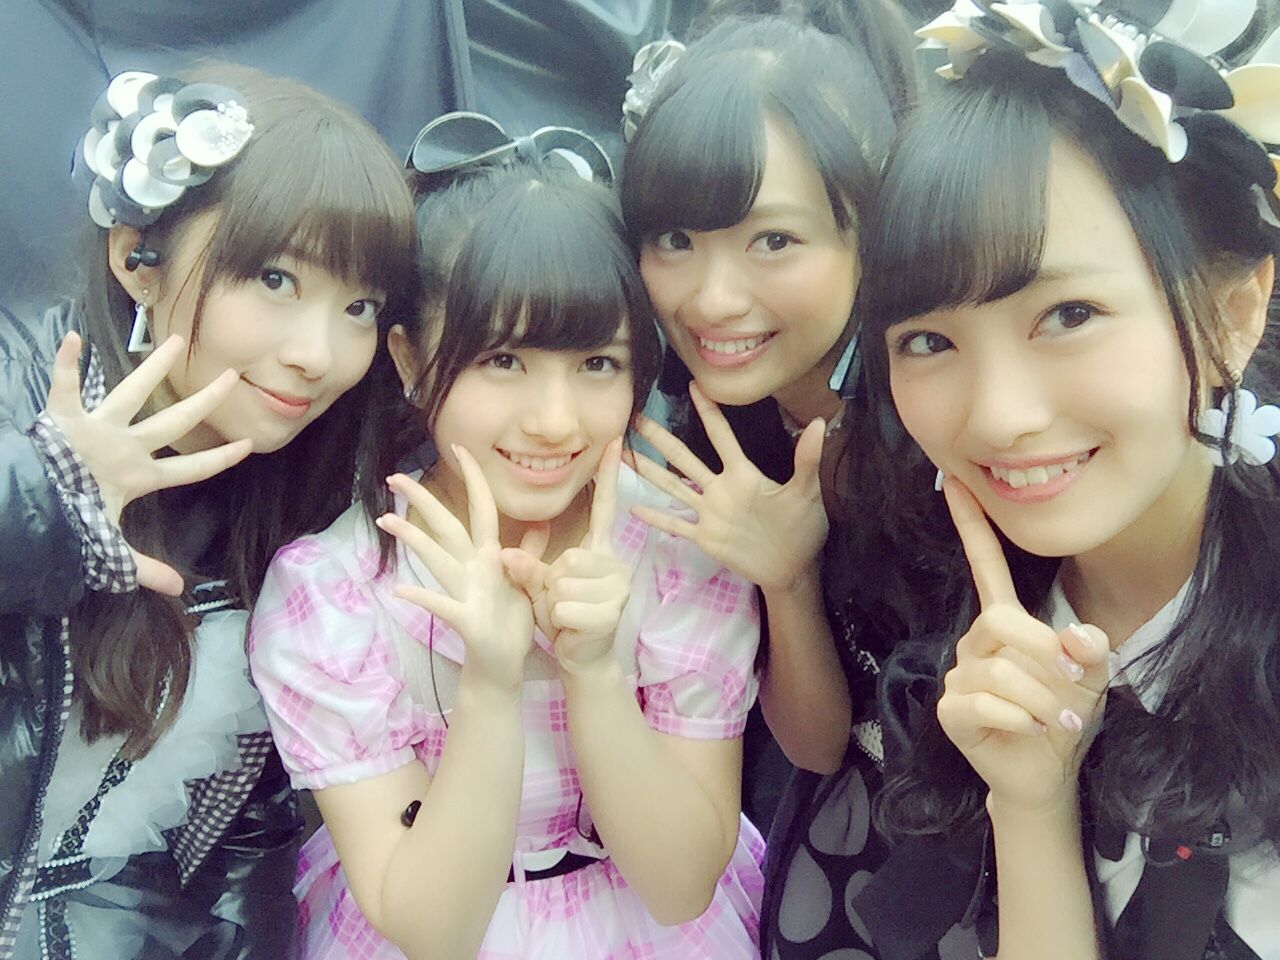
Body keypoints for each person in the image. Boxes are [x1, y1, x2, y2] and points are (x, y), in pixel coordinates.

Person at [248, 117, 765, 960]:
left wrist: (594, 672)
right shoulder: (335, 593)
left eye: (597, 364)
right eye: (503, 361)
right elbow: (434, 930)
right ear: (408, 360)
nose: (554, 420)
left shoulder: (679, 550)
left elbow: (679, 888)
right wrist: (489, 685)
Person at [846, 0, 1280, 956]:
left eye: (1069, 314)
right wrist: (1030, 800)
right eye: (928, 340)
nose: (997, 416)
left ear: (1233, 312)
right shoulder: (963, 627)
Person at [0, 65, 416, 958]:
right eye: (274, 278)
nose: (318, 354)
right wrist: (47, 493)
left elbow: (241, 843)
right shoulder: (19, 387)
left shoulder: (303, 485)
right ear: (136, 259)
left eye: (358, 306)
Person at [618, 4, 925, 955]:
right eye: (675, 239)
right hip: (847, 844)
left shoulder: (948, 425)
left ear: (873, 233)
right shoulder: (716, 436)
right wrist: (787, 580)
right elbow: (817, 746)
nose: (711, 299)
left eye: (774, 241)